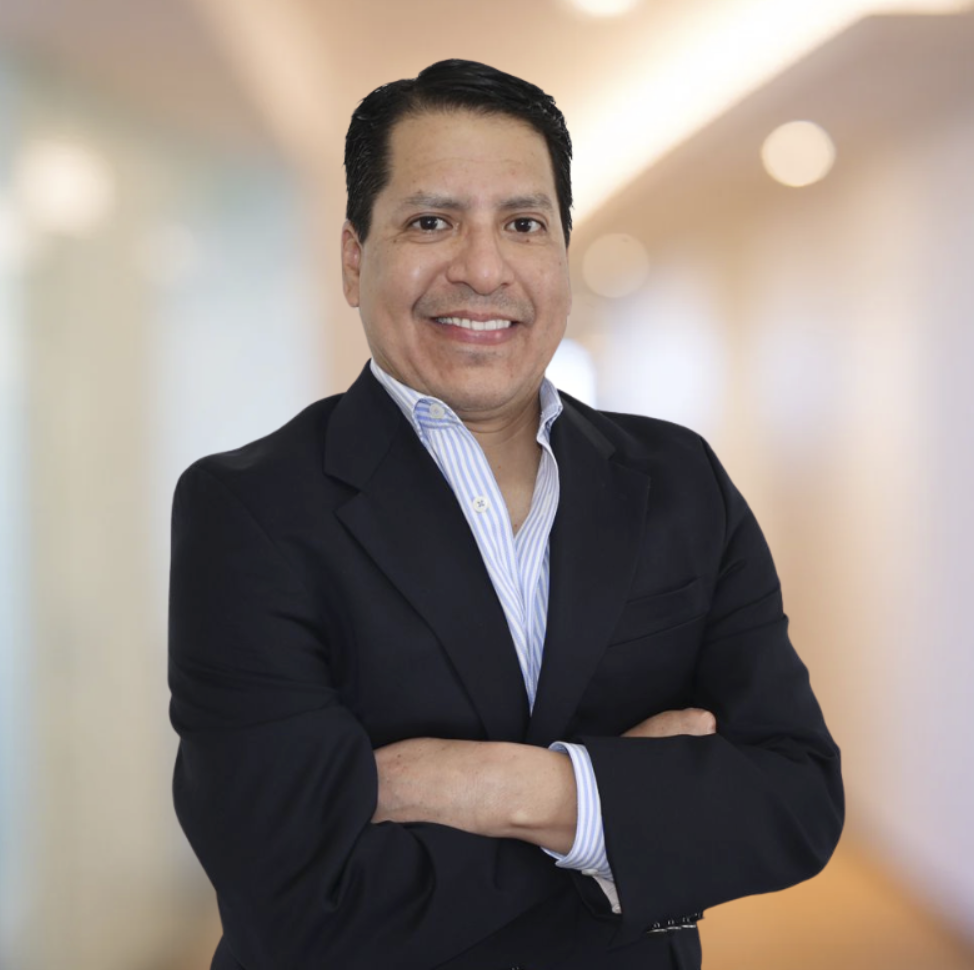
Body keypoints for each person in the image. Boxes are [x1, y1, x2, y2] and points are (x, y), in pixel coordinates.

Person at [168, 59, 843, 970]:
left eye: (523, 224)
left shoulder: (680, 480)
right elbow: (293, 896)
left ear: (561, 251)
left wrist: (498, 786)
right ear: (355, 259)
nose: (483, 269)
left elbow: (796, 800)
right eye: (431, 222)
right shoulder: (251, 508)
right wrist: (628, 815)